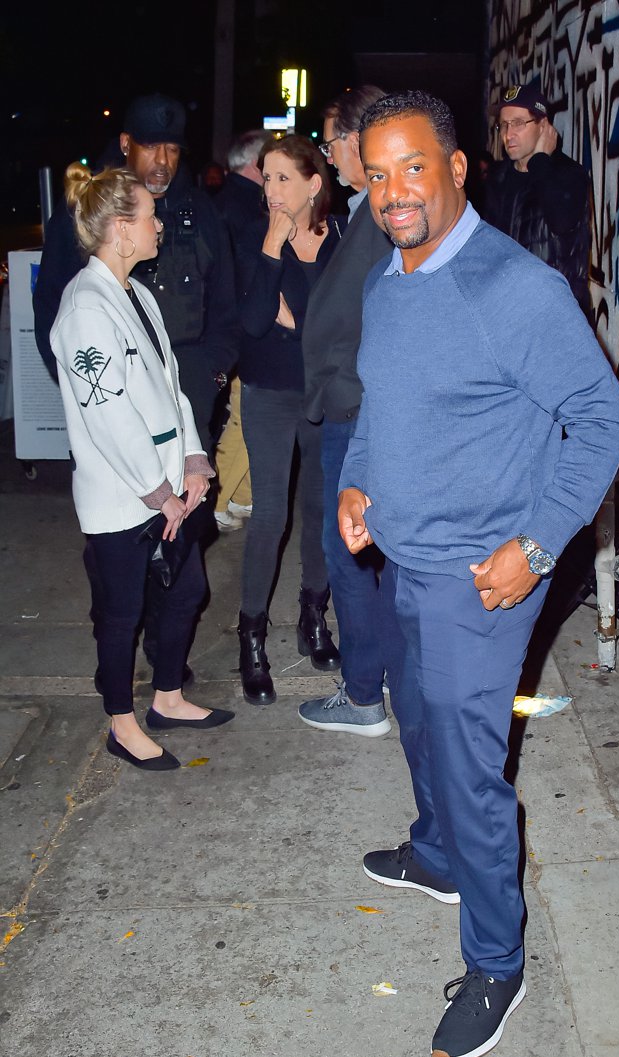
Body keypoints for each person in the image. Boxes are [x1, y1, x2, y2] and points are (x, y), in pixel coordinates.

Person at [339, 91, 619, 1057]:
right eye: (377, 173)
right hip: (406, 555)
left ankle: (497, 962)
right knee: (416, 719)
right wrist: (355, 485)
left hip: (484, 573)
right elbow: (381, 409)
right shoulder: (390, 281)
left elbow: (603, 421)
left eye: (413, 166)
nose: (394, 191)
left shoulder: (515, 289)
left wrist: (539, 545)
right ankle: (434, 854)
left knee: (471, 768)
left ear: (458, 167)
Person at [50, 162, 234, 772]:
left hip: (169, 489)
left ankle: (168, 697)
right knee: (121, 613)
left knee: (186, 593)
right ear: (122, 229)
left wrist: (194, 459)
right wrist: (160, 493)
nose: (161, 223)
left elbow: (169, 386)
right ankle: (121, 724)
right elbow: (109, 417)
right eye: (151, 216)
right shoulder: (84, 309)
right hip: (123, 498)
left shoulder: (139, 295)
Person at [34, 92, 239, 458]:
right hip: (111, 395)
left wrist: (212, 376)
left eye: (173, 149)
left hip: (188, 387)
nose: (163, 161)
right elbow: (51, 308)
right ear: (126, 144)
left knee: (192, 509)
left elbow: (226, 305)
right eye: (150, 146)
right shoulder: (84, 214)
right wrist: (84, 384)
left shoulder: (203, 212)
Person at [295, 84, 393, 739]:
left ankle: (363, 697)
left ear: (359, 139)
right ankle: (379, 673)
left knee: (347, 550)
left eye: (332, 143)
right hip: (354, 402)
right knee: (367, 550)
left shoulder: (382, 214)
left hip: (356, 408)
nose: (329, 158)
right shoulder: (364, 212)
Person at [235, 134, 343, 705]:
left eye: (283, 178)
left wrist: (297, 322)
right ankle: (251, 639)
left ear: (313, 185)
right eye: (266, 177)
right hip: (270, 391)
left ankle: (313, 619)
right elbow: (253, 323)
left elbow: (336, 320)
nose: (271, 190)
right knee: (270, 514)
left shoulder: (340, 239)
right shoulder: (256, 238)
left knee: (323, 510)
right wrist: (273, 247)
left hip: (325, 394)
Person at [484, 80, 592, 317]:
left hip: (557, 314)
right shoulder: (498, 177)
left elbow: (561, 221)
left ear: (543, 126)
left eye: (518, 123)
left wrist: (540, 159)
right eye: (503, 125)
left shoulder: (568, 174)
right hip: (508, 312)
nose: (508, 134)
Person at [211, 130, 267, 533]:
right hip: (244, 335)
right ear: (255, 165)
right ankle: (216, 501)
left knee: (247, 415)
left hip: (232, 331)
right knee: (246, 417)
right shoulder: (245, 208)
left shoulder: (224, 202)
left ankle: (241, 497)